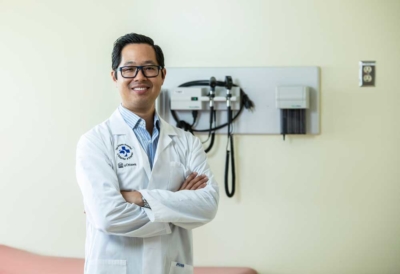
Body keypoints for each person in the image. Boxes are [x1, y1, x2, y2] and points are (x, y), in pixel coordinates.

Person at [76, 33, 219, 274]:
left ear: (162, 75)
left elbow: (207, 205)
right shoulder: (95, 141)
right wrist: (176, 206)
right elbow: (107, 215)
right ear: (115, 76)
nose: (140, 77)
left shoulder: (187, 143)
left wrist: (137, 197)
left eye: (149, 68)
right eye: (129, 69)